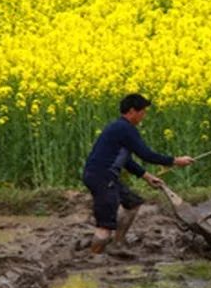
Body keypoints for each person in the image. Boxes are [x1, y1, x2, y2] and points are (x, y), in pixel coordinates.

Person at [82, 93, 193, 256]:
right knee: (105, 226)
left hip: (103, 176)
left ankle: (117, 244)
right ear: (132, 111)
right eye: (143, 112)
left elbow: (125, 160)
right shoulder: (125, 128)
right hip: (102, 177)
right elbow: (146, 154)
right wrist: (176, 161)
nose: (144, 116)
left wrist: (147, 176)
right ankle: (93, 258)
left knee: (133, 203)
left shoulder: (119, 128)